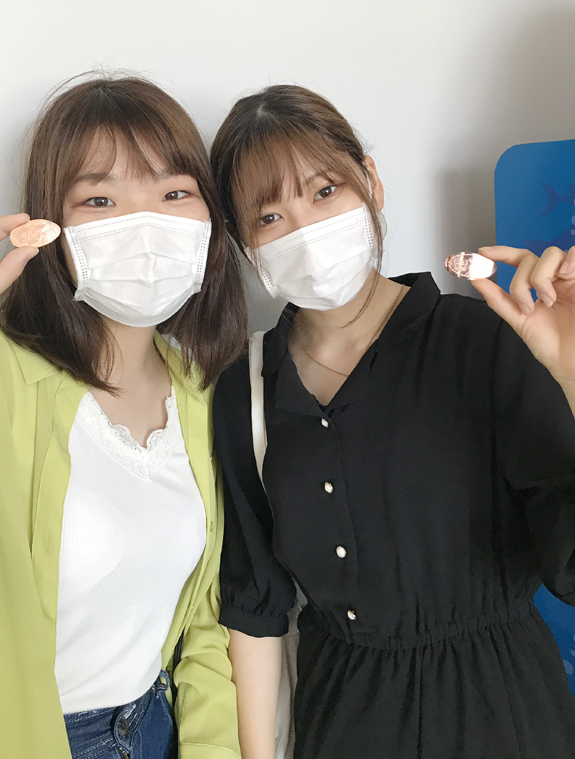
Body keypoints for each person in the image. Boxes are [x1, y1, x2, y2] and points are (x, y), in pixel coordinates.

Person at [0, 75, 246, 759]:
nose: (145, 223)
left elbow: (201, 622)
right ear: (50, 227)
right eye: (100, 199)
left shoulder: (196, 387)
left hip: (155, 730)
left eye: (174, 193)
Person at [210, 84, 575, 759]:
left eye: (325, 191)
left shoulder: (484, 340)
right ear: (242, 243)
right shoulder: (246, 385)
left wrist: (574, 373)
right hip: (341, 719)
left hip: (503, 713)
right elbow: (256, 605)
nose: (305, 230)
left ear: (371, 182)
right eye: (269, 216)